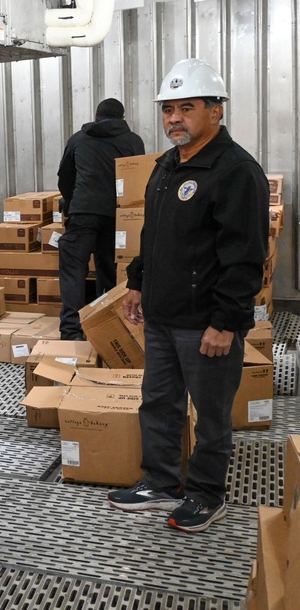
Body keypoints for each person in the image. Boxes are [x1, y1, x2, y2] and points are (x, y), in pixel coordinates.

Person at [107, 59, 269, 532]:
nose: (174, 118)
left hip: (206, 323)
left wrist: (226, 321)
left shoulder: (235, 171)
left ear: (216, 111)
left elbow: (245, 257)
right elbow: (154, 236)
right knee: (158, 401)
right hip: (161, 315)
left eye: (187, 107)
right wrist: (137, 281)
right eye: (168, 109)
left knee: (212, 414)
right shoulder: (166, 165)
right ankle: (160, 481)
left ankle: (205, 494)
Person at [56, 98, 144, 340]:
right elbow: (138, 179)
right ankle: (106, 325)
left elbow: (65, 178)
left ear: (96, 116)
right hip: (119, 217)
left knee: (74, 269)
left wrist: (71, 201)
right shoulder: (133, 141)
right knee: (110, 269)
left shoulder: (78, 139)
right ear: (122, 118)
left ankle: (72, 332)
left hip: (83, 212)